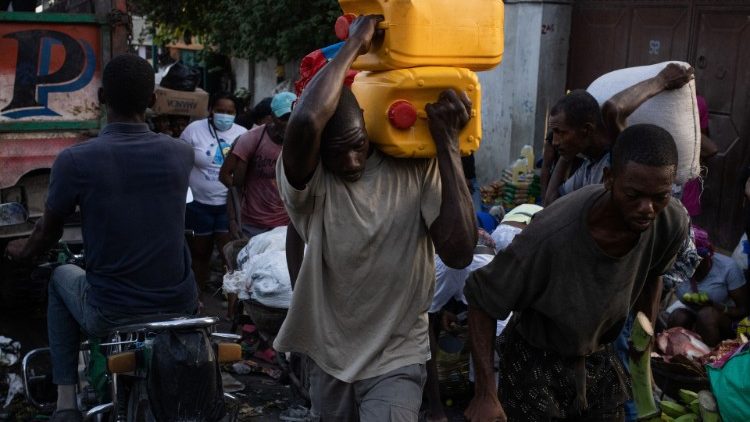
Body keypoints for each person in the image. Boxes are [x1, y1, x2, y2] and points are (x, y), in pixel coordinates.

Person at [274, 15, 477, 421]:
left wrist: (448, 146)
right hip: (330, 355)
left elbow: (459, 253)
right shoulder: (309, 182)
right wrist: (355, 45)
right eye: (338, 152)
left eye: (358, 145)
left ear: (368, 126)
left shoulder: (412, 164)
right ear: (318, 153)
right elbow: (307, 121)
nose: (352, 161)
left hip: (396, 354)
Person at [3, 54, 197, 422]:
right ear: (153, 99)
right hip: (180, 304)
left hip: (112, 310)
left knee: (59, 279)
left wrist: (22, 251)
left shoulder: (75, 161)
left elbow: (48, 230)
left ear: (102, 97)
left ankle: (65, 402)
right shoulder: (181, 153)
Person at [464, 124, 689, 422]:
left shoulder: (670, 221)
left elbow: (653, 275)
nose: (647, 208)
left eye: (659, 196)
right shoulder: (551, 235)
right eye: (633, 195)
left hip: (598, 355)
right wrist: (484, 393)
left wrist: (642, 350)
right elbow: (482, 299)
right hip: (535, 358)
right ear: (609, 179)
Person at [543, 63, 694, 205]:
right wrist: (564, 155)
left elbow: (613, 109)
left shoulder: (617, 154)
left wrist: (662, 80)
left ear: (586, 130)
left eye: (560, 132)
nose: (555, 141)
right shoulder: (589, 167)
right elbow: (551, 203)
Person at [424, 229, 496, 422]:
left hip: (492, 345)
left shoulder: (450, 259)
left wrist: (436, 408)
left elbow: (424, 321)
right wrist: (442, 312)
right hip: (497, 339)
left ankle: (437, 412)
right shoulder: (479, 242)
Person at [180, 92, 246, 296]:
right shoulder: (194, 130)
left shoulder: (244, 134)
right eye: (220, 110)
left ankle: (231, 298)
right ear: (210, 110)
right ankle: (197, 295)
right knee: (199, 253)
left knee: (230, 255)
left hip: (228, 207)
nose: (224, 115)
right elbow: (180, 161)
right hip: (197, 204)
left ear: (236, 114)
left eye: (230, 112)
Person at [219, 92, 296, 239]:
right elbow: (227, 177)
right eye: (283, 118)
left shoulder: (303, 142)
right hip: (253, 224)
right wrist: (233, 219)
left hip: (287, 224)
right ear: (272, 116)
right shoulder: (251, 138)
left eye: (293, 117)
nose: (288, 123)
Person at [667, 228, 748, 346]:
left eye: (698, 259)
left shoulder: (728, 268)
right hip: (694, 316)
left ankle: (710, 354)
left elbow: (743, 310)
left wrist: (717, 307)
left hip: (725, 321)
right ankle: (675, 353)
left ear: (708, 255)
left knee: (706, 315)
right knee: (677, 316)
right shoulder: (677, 268)